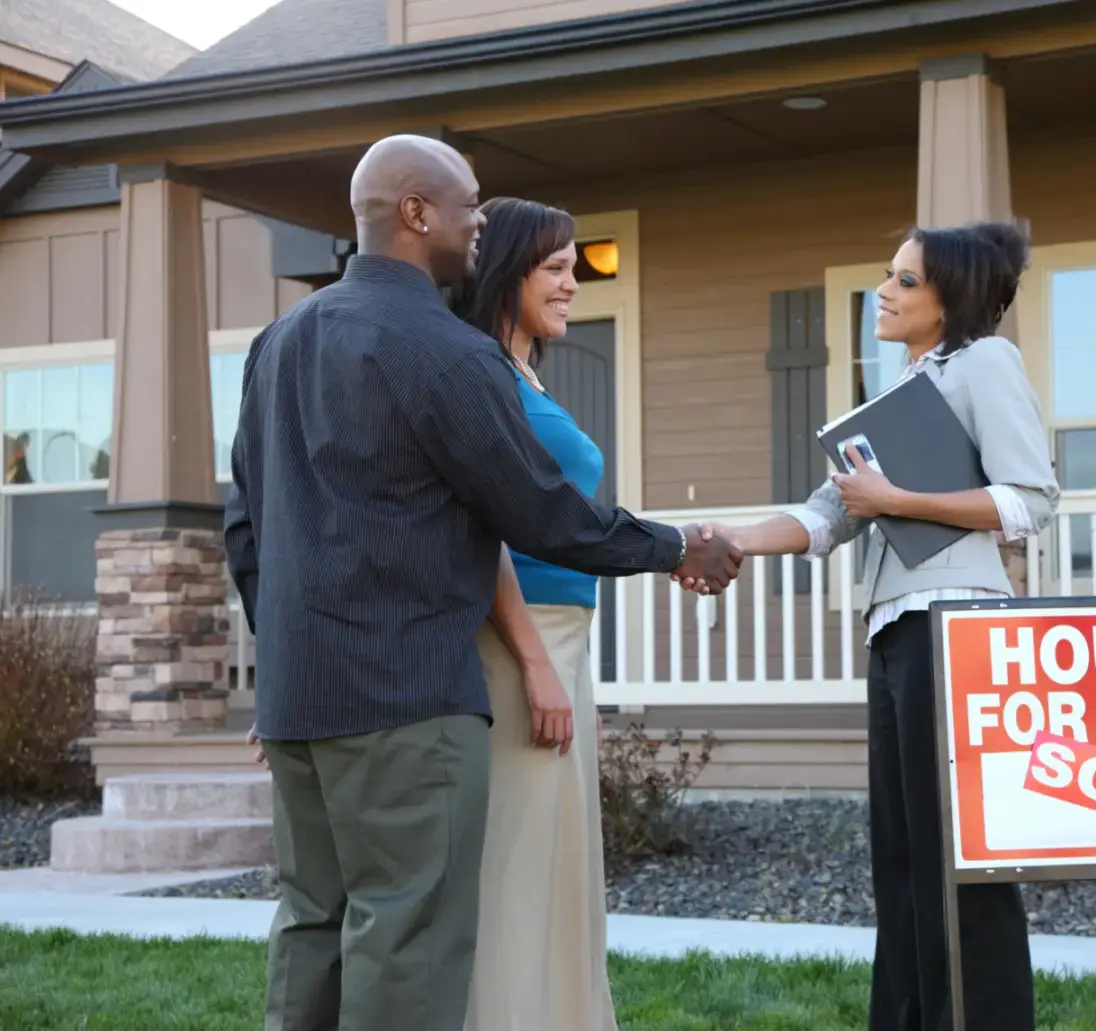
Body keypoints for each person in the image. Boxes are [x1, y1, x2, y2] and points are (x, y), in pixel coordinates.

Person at [224, 134, 742, 1031]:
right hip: (408, 700)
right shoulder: (446, 352)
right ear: (415, 213)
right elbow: (542, 513)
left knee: (312, 922)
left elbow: (245, 522)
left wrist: (286, 655)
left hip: (299, 697)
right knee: (407, 936)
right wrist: (676, 548)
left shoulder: (281, 341)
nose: (478, 222)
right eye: (467, 204)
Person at [687, 221, 1058, 1030]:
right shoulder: (898, 400)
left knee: (958, 854)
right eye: (888, 276)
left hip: (956, 626)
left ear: (949, 298)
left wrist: (898, 499)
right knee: (904, 856)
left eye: (904, 280)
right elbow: (827, 517)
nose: (883, 293)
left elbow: (1030, 499)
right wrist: (725, 540)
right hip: (895, 631)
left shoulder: (984, 362)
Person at [445, 196, 622, 1031]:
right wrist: (536, 664)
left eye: (573, 267)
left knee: (561, 868)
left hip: (562, 645)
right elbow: (481, 532)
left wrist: (573, 675)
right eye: (554, 267)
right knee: (516, 870)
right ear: (506, 270)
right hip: (516, 647)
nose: (571, 283)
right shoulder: (481, 375)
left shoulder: (524, 374)